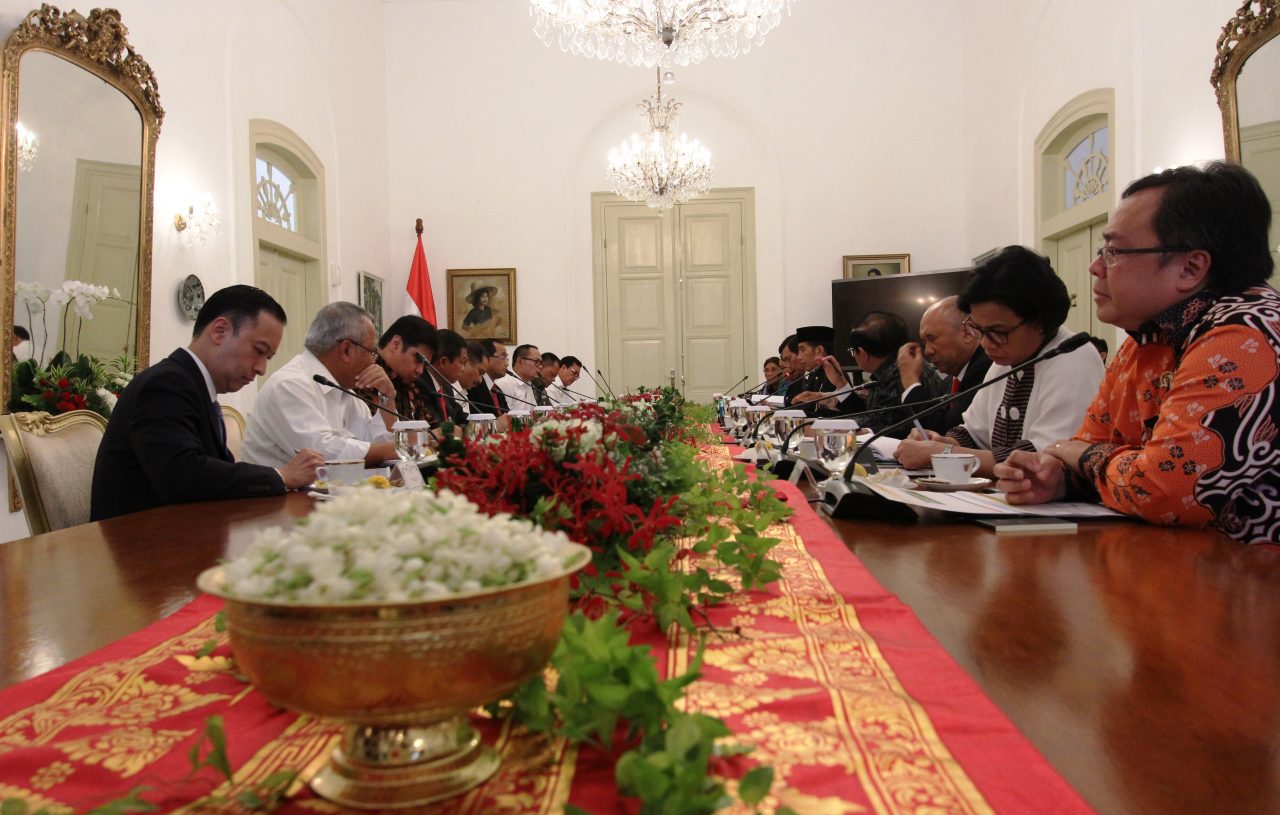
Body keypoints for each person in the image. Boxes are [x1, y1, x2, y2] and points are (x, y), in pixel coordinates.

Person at [996, 163, 1280, 543]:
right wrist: (1057, 479)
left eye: (1114, 251)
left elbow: (1163, 491)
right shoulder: (1145, 340)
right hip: (1167, 572)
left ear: (1190, 267)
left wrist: (1078, 456)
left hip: (1252, 588)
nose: (1096, 267)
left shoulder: (1246, 335)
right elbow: (1088, 442)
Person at [91, 285, 322, 521]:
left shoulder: (192, 385)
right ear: (220, 331)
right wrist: (281, 475)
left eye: (268, 358)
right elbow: (183, 476)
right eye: (258, 351)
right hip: (139, 545)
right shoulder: (165, 383)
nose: (261, 368)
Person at [895, 246, 1104, 475]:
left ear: (1040, 319)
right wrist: (940, 441)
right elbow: (974, 435)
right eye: (978, 329)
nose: (985, 343)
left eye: (998, 332)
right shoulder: (1006, 358)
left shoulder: (1071, 356)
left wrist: (941, 454)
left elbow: (1042, 459)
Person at [242, 301, 397, 467]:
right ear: (346, 350)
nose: (375, 362)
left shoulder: (345, 388)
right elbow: (325, 455)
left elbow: (376, 444)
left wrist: (387, 397)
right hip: (282, 493)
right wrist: (400, 449)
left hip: (329, 490)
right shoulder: (289, 385)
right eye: (372, 352)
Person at [809, 311, 946, 434]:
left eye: (852, 351)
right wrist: (840, 383)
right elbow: (873, 413)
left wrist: (823, 425)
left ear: (862, 353)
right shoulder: (893, 368)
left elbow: (890, 425)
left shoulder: (902, 372)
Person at [900, 296, 992, 433]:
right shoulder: (949, 382)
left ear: (968, 333)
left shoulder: (988, 368)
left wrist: (910, 381)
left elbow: (944, 431)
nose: (927, 351)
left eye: (932, 339)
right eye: (924, 342)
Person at [361, 315, 437, 423]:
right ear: (395, 344)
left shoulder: (411, 384)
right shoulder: (367, 377)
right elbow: (374, 435)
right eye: (417, 360)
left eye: (424, 365)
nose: (420, 370)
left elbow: (431, 427)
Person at [784, 326, 839, 412]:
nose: (799, 357)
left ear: (819, 350)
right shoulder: (813, 374)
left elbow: (827, 415)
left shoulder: (835, 375)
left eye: (802, 350)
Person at [425, 328, 470, 423]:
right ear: (443, 362)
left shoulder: (446, 388)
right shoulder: (421, 387)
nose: (463, 369)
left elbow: (461, 419)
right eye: (462, 362)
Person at [497, 343, 542, 408]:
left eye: (540, 362)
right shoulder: (505, 384)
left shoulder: (528, 383)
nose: (540, 366)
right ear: (520, 361)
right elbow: (505, 416)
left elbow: (533, 413)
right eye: (536, 361)